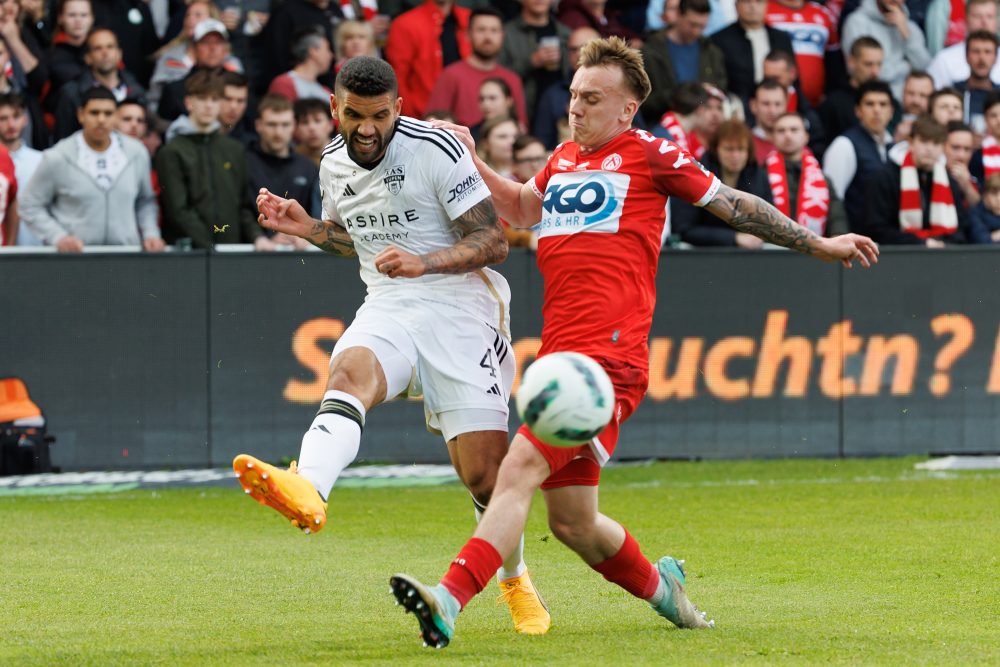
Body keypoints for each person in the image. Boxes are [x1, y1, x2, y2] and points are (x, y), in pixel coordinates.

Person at [394, 36, 878, 649]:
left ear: (626, 109)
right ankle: (665, 590)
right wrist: (469, 157)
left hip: (608, 362)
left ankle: (447, 600)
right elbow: (519, 208)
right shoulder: (565, 158)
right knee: (574, 524)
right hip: (563, 358)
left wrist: (819, 242)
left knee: (517, 468)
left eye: (592, 99)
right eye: (573, 96)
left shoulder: (651, 155)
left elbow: (734, 205)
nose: (576, 109)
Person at [232, 55, 552, 636]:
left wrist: (423, 261)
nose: (367, 128)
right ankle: (309, 486)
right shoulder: (331, 164)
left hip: (462, 309)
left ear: (398, 108)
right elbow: (353, 240)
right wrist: (309, 228)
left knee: (485, 477)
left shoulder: (437, 149)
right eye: (354, 115)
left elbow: (493, 241)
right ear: (335, 108)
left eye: (380, 115)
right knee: (348, 372)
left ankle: (515, 577)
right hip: (389, 304)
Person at [20, 87, 161, 252]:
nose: (101, 119)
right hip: (75, 259)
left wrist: (151, 234)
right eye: (94, 113)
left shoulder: (136, 152)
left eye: (108, 113)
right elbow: (30, 205)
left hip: (125, 256)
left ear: (115, 117)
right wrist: (58, 237)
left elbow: (145, 201)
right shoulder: (58, 156)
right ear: (81, 115)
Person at [155, 69, 261, 249]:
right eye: (202, 99)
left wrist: (257, 237)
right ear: (189, 102)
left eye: (214, 99)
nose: (208, 105)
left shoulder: (234, 149)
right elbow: (178, 211)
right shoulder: (171, 151)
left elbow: (243, 205)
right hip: (189, 252)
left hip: (229, 250)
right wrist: (209, 246)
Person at [863, 116, 971, 246]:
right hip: (897, 257)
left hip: (942, 255)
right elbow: (876, 228)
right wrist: (921, 243)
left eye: (936, 143)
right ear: (911, 143)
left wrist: (943, 243)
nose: (930, 149)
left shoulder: (948, 181)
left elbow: (961, 227)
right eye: (924, 141)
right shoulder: (885, 177)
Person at [671, 119, 772, 247]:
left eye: (741, 149)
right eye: (729, 149)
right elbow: (683, 229)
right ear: (716, 150)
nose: (735, 155)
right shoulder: (695, 177)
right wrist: (734, 238)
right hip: (703, 256)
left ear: (748, 152)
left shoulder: (759, 177)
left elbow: (768, 224)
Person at [426, 8, 528, 130]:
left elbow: (521, 128)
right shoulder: (451, 75)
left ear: (502, 36)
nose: (488, 37)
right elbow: (432, 124)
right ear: (468, 35)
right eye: (481, 30)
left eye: (494, 30)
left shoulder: (512, 79)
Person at [822, 80, 895, 231]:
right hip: (854, 244)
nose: (876, 110)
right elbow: (832, 199)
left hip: (888, 243)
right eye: (869, 104)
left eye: (883, 104)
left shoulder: (895, 148)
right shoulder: (844, 145)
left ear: (892, 112)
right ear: (858, 111)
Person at [640, 0, 726, 126]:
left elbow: (721, 88)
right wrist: (679, 95)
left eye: (702, 26)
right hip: (662, 128)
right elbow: (643, 102)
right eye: (692, 24)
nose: (696, 31)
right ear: (678, 15)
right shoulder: (650, 52)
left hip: (703, 128)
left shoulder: (712, 52)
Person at [53, 27, 147, 140]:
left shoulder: (137, 92)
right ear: (88, 57)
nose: (105, 53)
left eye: (110, 47)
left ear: (119, 54)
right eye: (98, 48)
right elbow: (63, 138)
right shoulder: (72, 93)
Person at [764, 112, 847, 237]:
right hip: (771, 252)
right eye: (781, 131)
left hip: (814, 250)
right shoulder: (759, 175)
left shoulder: (823, 179)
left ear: (806, 136)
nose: (788, 135)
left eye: (794, 130)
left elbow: (836, 216)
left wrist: (838, 236)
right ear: (772, 138)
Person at [385, 0, 472, 119]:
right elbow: (397, 79)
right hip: (424, 117)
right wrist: (414, 121)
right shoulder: (405, 24)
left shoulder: (471, 18)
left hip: (469, 114)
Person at [246, 94, 320, 232]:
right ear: (258, 125)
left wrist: (306, 236)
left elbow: (316, 215)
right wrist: (261, 238)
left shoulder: (308, 167)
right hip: (254, 248)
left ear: (294, 126)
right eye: (271, 124)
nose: (278, 132)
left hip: (299, 246)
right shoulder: (243, 162)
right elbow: (239, 211)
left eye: (285, 125)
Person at [841, 0, 930, 100]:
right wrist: (906, 67)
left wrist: (907, 36)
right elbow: (858, 70)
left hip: (904, 102)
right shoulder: (857, 22)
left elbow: (923, 68)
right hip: (868, 99)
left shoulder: (911, 28)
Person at [157, 20, 243, 123]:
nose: (212, 48)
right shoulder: (175, 90)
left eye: (218, 42)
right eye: (206, 42)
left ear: (226, 49)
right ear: (193, 48)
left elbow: (240, 126)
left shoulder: (238, 88)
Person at [710, 0, 794, 104]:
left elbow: (793, 80)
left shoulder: (781, 38)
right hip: (736, 108)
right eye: (746, 1)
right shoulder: (719, 40)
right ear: (736, 6)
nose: (753, 6)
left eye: (758, 1)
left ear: (767, 5)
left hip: (777, 105)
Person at [498, 0, 570, 120]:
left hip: (562, 111)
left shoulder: (565, 33)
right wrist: (531, 62)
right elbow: (497, 75)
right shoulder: (507, 33)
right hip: (524, 112)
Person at [533, 25, 599, 149]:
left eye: (586, 47)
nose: (579, 54)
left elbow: (635, 131)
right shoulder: (552, 95)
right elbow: (542, 146)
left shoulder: (619, 88)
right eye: (573, 49)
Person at [764, 0, 837, 107]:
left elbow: (833, 60)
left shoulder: (823, 13)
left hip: (818, 102)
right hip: (775, 103)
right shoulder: (763, 9)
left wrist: (829, 93)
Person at [818, 36, 883, 143]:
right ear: (851, 62)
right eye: (868, 64)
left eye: (879, 64)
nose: (875, 72)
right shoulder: (833, 103)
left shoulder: (888, 99)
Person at [927, 0, 1000, 90]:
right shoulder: (945, 59)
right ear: (966, 19)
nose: (984, 22)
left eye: (989, 16)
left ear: (997, 21)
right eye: (977, 16)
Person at [0, 93, 41, 243]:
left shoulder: (42, 161)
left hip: (34, 248)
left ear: (25, 119)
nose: (11, 124)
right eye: (3, 118)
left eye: (16, 116)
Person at [267, 28, 334, 102]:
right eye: (327, 49)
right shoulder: (284, 84)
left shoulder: (325, 91)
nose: (331, 55)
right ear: (314, 51)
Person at [954, 31, 1000, 136]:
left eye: (987, 52)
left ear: (995, 58)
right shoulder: (954, 93)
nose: (982, 58)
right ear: (966, 57)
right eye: (976, 51)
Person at [748, 77, 786, 163]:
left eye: (777, 104)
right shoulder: (744, 144)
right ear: (753, 106)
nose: (772, 111)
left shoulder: (798, 145)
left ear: (785, 105)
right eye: (766, 104)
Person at [943, 120, 980, 208]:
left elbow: (982, 215)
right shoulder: (929, 175)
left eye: (967, 149)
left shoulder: (975, 180)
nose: (961, 156)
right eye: (955, 148)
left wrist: (966, 186)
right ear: (942, 146)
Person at [892, 70, 934, 144]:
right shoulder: (888, 118)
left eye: (923, 95)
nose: (916, 101)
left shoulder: (938, 124)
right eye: (911, 93)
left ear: (932, 97)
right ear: (903, 93)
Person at [293, 97, 334, 168]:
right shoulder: (289, 158)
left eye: (317, 121)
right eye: (304, 122)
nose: (311, 128)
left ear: (330, 125)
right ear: (295, 129)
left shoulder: (347, 157)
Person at [968, 172, 1000, 242]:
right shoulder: (975, 214)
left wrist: (993, 236)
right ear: (985, 196)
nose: (998, 199)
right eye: (994, 194)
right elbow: (981, 240)